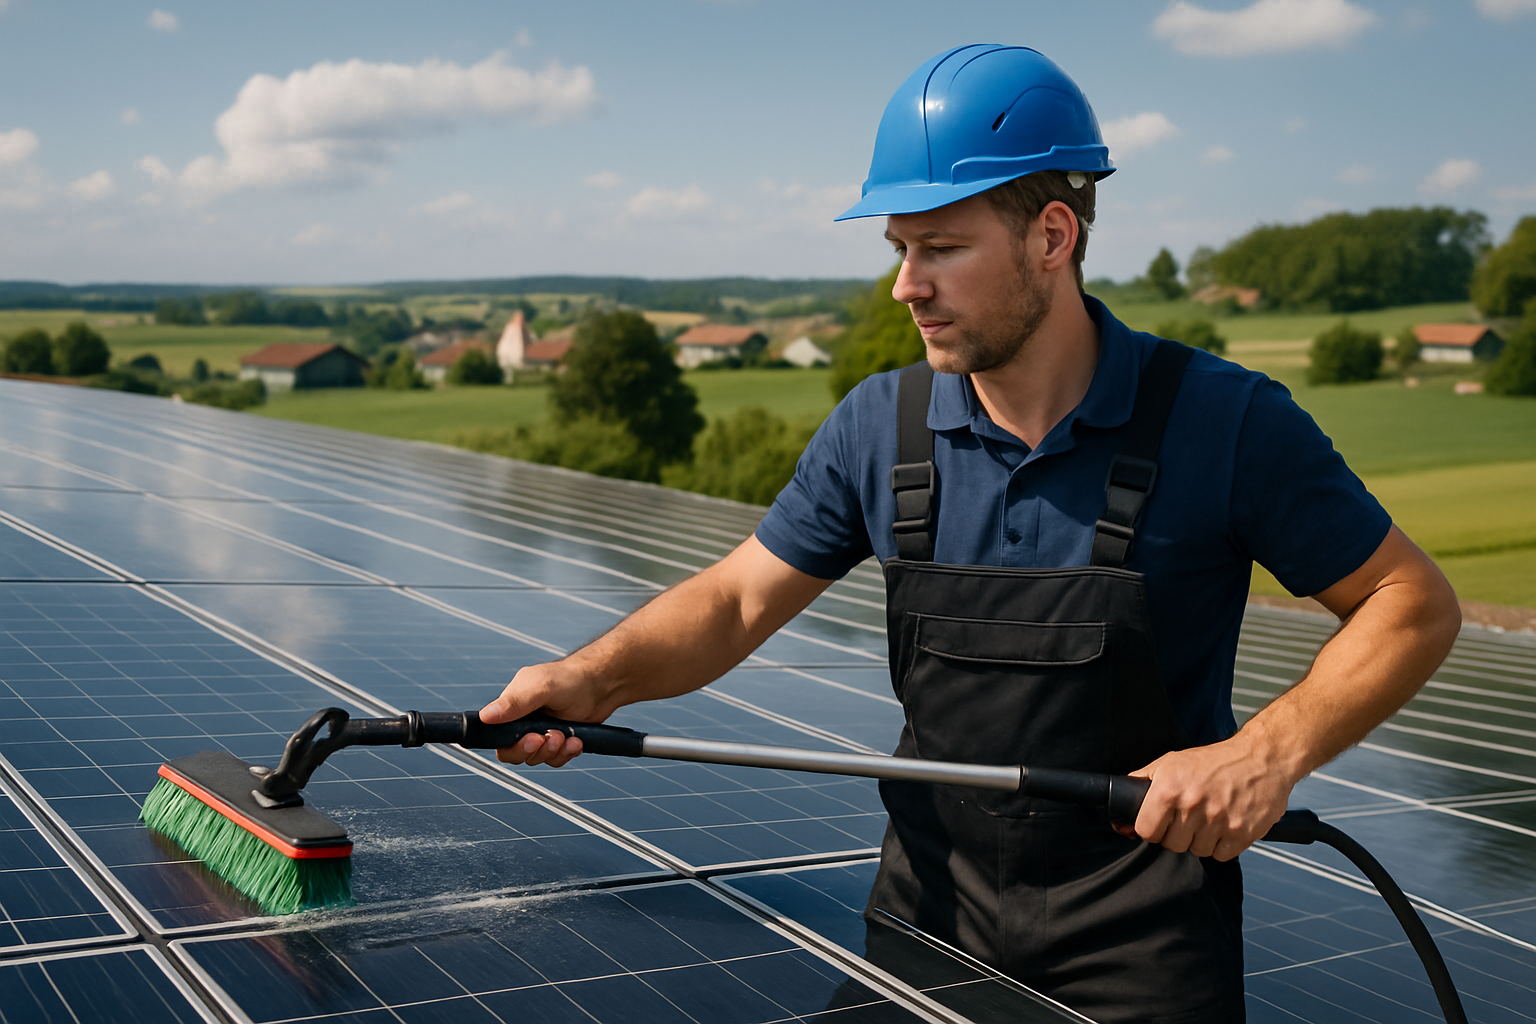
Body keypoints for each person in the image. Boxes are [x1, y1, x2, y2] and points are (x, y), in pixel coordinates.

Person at [481, 45, 1460, 1023]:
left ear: (1052, 236)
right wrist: (592, 679)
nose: (907, 285)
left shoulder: (1226, 422)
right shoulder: (880, 425)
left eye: (941, 247)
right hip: (924, 926)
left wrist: (1267, 753)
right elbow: (735, 599)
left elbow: (1410, 602)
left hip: (1147, 949)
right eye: (899, 249)